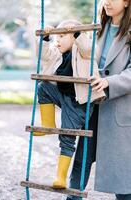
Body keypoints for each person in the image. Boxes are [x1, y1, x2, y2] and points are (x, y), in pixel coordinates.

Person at [66, 0, 131, 200]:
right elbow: (82, 54)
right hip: (92, 106)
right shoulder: (96, 29)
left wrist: (109, 82)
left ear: (127, 2)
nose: (107, 1)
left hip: (117, 108)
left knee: (122, 171)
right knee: (82, 160)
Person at [35, 19, 105, 189]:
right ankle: (47, 122)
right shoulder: (57, 52)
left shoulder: (83, 53)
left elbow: (88, 49)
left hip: (78, 103)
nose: (57, 40)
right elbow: (43, 56)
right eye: (56, 37)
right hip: (63, 96)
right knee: (43, 87)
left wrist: (78, 33)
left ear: (74, 37)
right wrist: (45, 38)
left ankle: (60, 177)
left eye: (62, 36)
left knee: (67, 137)